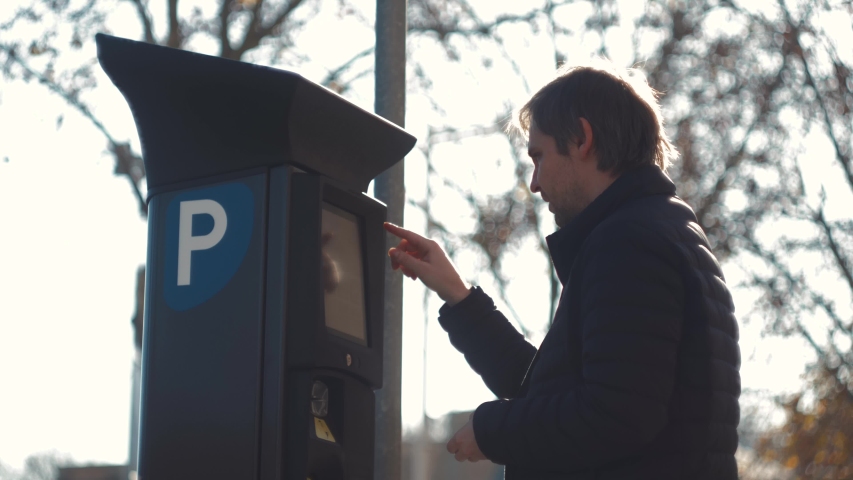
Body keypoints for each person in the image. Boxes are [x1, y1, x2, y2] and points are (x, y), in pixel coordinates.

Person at [385, 63, 741, 479]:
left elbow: (614, 416)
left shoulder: (630, 243)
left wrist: (492, 429)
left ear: (582, 139)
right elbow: (552, 393)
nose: (534, 184)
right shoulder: (655, 232)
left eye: (538, 156)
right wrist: (459, 296)